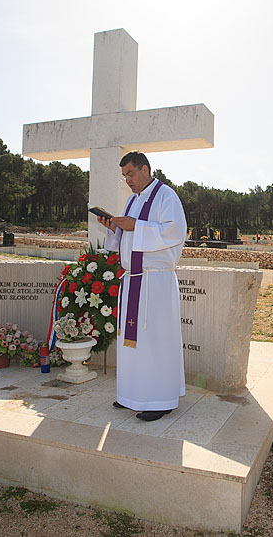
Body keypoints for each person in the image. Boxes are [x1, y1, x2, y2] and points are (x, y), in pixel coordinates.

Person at [97, 151, 187, 422]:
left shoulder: (166, 196)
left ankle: (161, 400)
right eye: (124, 175)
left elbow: (174, 232)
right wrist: (115, 228)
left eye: (131, 174)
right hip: (133, 280)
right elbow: (129, 238)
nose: (128, 180)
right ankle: (132, 394)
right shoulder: (133, 201)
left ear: (145, 169)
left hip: (155, 282)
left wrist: (137, 225)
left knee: (156, 341)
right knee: (132, 342)